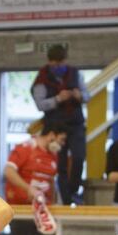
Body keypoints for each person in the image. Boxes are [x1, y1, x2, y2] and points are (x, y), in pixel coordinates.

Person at [4, 124, 66, 235]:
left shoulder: (53, 155)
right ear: (51, 134)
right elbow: (8, 171)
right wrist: (28, 189)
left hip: (44, 212)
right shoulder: (25, 148)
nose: (62, 144)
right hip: (22, 212)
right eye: (62, 139)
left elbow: (51, 181)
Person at [32, 44, 89, 204]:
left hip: (76, 124)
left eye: (61, 63)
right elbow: (40, 104)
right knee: (60, 164)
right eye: (55, 64)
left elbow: (87, 95)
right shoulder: (41, 78)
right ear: (49, 62)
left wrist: (79, 95)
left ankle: (73, 190)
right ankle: (66, 199)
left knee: (79, 157)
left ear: (65, 60)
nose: (58, 67)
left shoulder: (75, 74)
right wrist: (58, 99)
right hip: (55, 128)